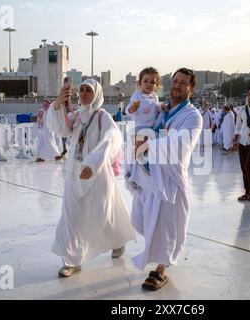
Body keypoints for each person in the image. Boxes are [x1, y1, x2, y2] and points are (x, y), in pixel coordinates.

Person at [47, 79, 136, 277]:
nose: (84, 93)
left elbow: (112, 138)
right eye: (82, 90)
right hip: (75, 173)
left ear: (96, 94)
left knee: (103, 215)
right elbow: (59, 127)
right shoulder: (78, 115)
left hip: (96, 173)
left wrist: (94, 161)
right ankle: (71, 260)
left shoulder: (103, 117)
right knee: (71, 217)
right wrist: (58, 103)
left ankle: (117, 239)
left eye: (89, 90)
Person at [128, 68, 202, 291]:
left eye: (183, 83)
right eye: (175, 81)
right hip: (151, 175)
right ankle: (158, 258)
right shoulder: (162, 110)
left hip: (170, 179)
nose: (177, 85)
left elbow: (181, 143)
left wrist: (149, 144)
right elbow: (142, 124)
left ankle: (161, 268)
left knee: (168, 225)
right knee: (149, 219)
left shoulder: (192, 115)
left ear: (191, 88)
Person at [125, 67, 165, 180]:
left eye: (152, 82)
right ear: (140, 83)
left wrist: (161, 107)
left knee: (148, 147)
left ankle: (143, 166)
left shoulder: (154, 97)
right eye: (146, 81)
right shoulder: (137, 96)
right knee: (138, 148)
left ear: (156, 85)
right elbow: (128, 109)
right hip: (139, 127)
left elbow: (157, 106)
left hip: (151, 127)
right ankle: (131, 171)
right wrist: (132, 108)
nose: (149, 84)